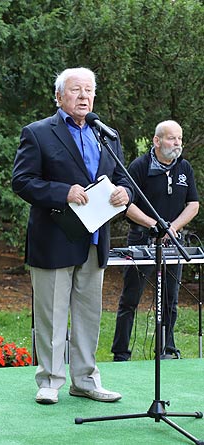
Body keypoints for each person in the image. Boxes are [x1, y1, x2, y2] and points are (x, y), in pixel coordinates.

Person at [12, 67, 133, 405]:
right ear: (59, 96)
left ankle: (85, 380)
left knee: (89, 315)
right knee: (51, 314)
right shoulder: (37, 133)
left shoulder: (106, 134)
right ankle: (49, 380)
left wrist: (126, 194)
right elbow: (22, 181)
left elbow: (123, 179)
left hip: (95, 241)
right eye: (76, 90)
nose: (84, 96)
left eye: (89, 90)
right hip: (54, 238)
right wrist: (62, 191)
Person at [112, 120, 199, 362]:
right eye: (172, 138)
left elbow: (193, 204)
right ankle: (121, 353)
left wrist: (172, 228)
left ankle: (167, 349)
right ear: (157, 141)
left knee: (170, 300)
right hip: (142, 239)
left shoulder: (184, 168)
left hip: (173, 240)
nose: (177, 143)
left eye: (180, 138)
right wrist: (153, 225)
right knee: (130, 299)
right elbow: (125, 205)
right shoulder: (139, 166)